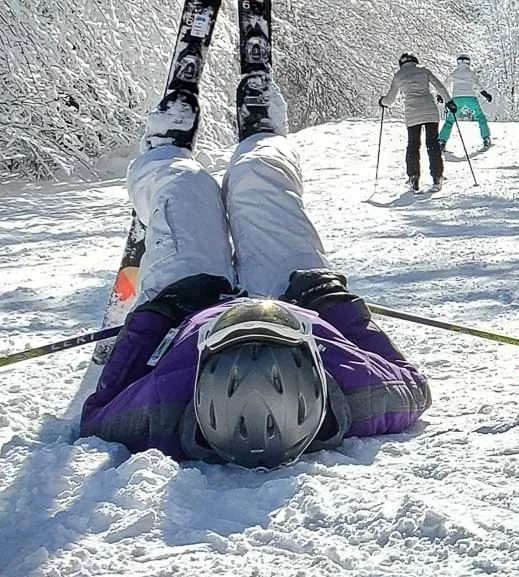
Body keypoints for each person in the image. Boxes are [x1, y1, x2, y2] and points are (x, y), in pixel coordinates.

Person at [80, 88, 431, 467]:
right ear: (316, 365)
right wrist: (330, 298)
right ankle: (263, 137)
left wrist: (162, 309)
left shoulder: (158, 409)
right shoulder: (367, 395)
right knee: (261, 180)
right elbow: (412, 383)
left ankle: (163, 155)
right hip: (293, 296)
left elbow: (99, 410)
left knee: (183, 189)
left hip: (191, 304)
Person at [379, 53, 450, 192]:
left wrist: (382, 102)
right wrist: (449, 101)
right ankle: (437, 177)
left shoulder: (399, 75)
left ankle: (413, 177)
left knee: (413, 145)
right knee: (433, 145)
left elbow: (390, 99)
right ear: (415, 61)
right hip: (430, 112)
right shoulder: (424, 70)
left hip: (413, 114)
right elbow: (440, 87)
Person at [439, 54, 494, 150]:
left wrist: (440, 95)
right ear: (468, 62)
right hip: (470, 97)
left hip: (457, 98)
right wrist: (486, 95)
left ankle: (442, 141)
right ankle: (486, 138)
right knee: (480, 117)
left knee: (450, 120)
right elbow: (477, 86)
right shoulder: (471, 73)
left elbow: (445, 84)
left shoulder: (454, 73)